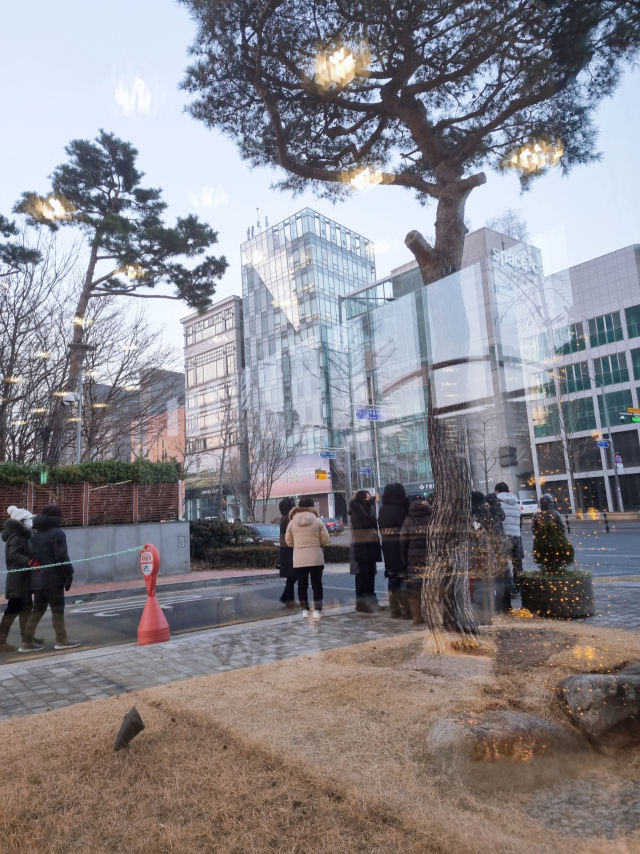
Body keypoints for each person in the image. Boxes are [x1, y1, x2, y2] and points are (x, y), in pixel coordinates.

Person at [20, 505, 80, 653]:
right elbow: (61, 556)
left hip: (38, 577)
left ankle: (26, 641)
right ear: (57, 517)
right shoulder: (57, 533)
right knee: (57, 609)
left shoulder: (36, 534)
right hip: (54, 577)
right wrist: (68, 574)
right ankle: (61, 639)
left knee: (38, 609)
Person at [0, 507, 41, 652]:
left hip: (23, 580)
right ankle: (4, 641)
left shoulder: (23, 536)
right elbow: (13, 555)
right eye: (28, 519)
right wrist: (29, 562)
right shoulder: (17, 537)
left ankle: (27, 637)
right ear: (22, 521)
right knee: (14, 610)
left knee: (25, 609)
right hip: (18, 581)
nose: (30, 521)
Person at [285, 496, 330, 617]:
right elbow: (325, 539)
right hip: (316, 557)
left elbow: (288, 541)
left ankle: (304, 610)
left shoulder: (292, 523)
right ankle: (317, 610)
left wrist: (298, 546)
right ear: (312, 507)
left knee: (302, 585)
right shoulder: (318, 521)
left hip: (299, 558)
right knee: (317, 585)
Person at [378, 483, 411, 619]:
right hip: (402, 548)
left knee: (392, 578)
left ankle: (394, 609)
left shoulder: (383, 509)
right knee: (403, 578)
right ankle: (406, 610)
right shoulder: (402, 509)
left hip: (387, 548)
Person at [399, 497, 431, 625]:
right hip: (430, 557)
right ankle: (432, 615)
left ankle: (416, 617)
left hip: (413, 558)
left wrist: (404, 559)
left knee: (415, 588)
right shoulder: (432, 519)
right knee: (430, 587)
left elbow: (403, 542)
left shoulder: (408, 520)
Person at [348, 490, 382, 613]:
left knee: (370, 575)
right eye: (366, 498)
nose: (369, 499)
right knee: (363, 575)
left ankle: (371, 601)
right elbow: (360, 531)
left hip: (371, 546)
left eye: (370, 497)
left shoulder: (370, 510)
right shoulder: (357, 512)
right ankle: (361, 603)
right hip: (362, 547)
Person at [494, 482, 524, 595]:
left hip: (504, 537)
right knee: (518, 564)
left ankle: (511, 587)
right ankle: (520, 586)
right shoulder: (516, 502)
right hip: (517, 535)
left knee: (503, 564)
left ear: (497, 491)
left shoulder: (497, 502)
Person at [485, 492, 511, 612]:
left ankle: (499, 605)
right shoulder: (499, 512)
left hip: (497, 548)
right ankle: (506, 604)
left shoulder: (491, 515)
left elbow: (492, 534)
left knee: (498, 577)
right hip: (503, 546)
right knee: (504, 574)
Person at [277, 498, 297, 607]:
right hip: (289, 550)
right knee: (293, 575)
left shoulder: (284, 519)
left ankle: (288, 599)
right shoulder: (287, 520)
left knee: (292, 576)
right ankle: (287, 599)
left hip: (287, 550)